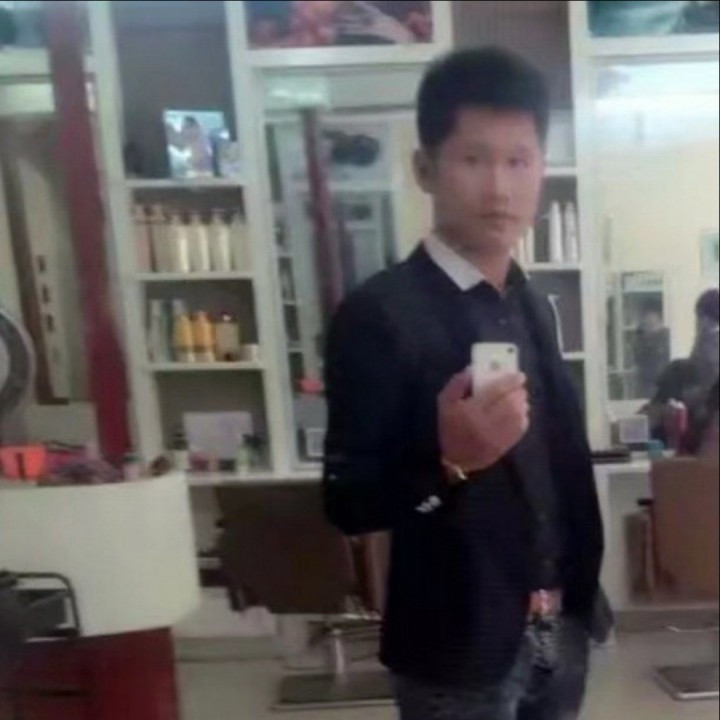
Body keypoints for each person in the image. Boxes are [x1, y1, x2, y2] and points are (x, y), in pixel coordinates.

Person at [323, 48, 604, 720]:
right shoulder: (378, 315)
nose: (500, 188)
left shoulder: (532, 303)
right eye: (474, 159)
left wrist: (580, 605)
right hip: (456, 649)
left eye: (519, 161)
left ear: (541, 169)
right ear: (425, 169)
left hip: (559, 630)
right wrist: (449, 463)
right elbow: (348, 503)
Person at [645, 288, 720, 447]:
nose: (697, 323)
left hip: (706, 406)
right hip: (698, 401)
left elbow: (709, 381)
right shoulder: (704, 340)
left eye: (698, 318)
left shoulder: (708, 341)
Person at [633, 298, 671, 399]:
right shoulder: (640, 338)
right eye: (643, 315)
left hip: (663, 387)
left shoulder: (667, 337)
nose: (645, 318)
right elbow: (637, 361)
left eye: (647, 315)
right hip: (644, 388)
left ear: (657, 315)